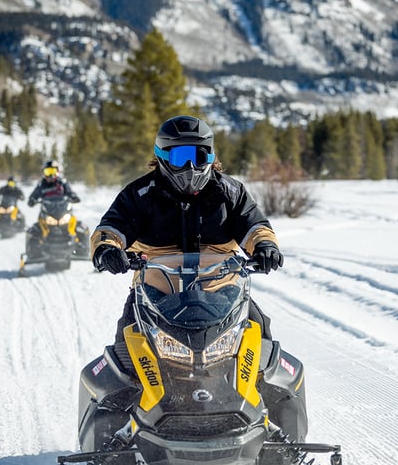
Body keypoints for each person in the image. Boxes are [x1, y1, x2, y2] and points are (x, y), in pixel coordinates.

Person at [91, 115, 284, 341]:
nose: (190, 167)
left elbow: (254, 224)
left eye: (199, 156)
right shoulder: (140, 194)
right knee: (127, 343)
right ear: (162, 156)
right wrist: (107, 249)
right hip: (156, 293)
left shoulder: (230, 192)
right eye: (181, 157)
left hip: (222, 290)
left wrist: (265, 246)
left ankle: (263, 377)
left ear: (210, 156)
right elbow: (110, 228)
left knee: (258, 334)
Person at [25, 160, 85, 259]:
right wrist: (32, 200)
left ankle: (84, 250)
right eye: (47, 172)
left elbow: (70, 192)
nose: (50, 175)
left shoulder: (63, 183)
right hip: (47, 212)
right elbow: (34, 195)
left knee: (81, 228)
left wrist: (74, 197)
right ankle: (33, 253)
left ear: (58, 171)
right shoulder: (41, 185)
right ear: (44, 173)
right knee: (33, 231)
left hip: (63, 211)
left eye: (52, 171)